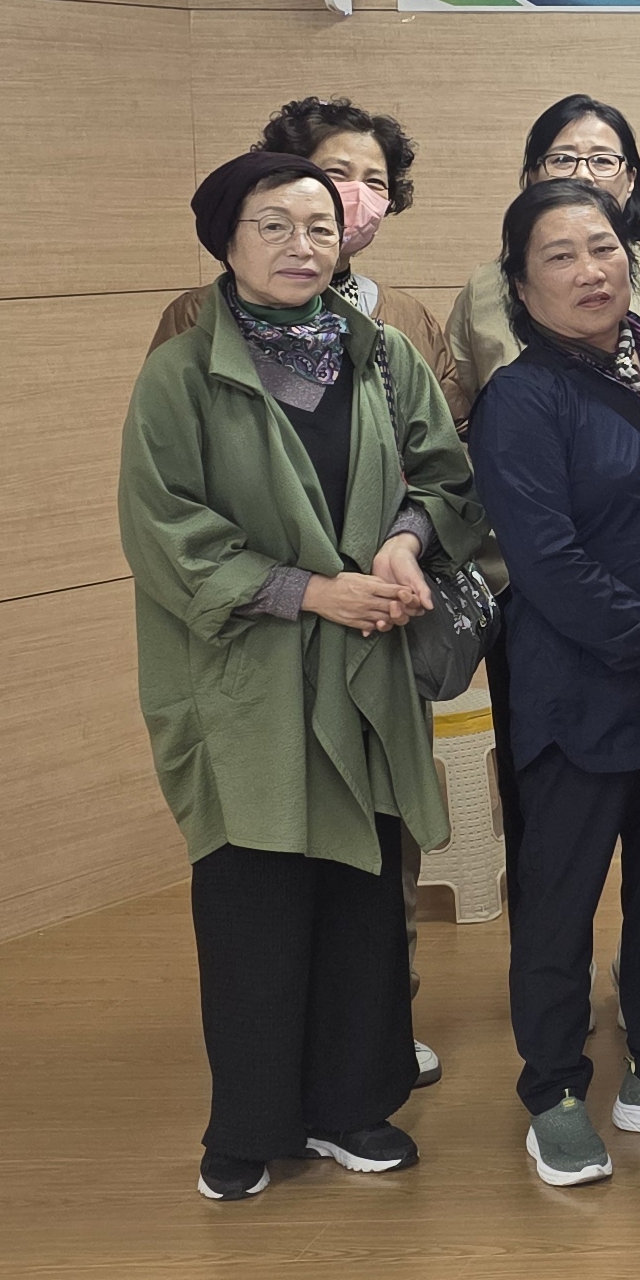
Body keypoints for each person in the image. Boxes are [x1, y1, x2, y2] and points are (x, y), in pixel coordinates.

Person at [120, 152, 483, 1202]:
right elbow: (166, 530)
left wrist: (406, 544)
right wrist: (312, 591)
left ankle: (353, 1106)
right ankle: (248, 1125)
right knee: (256, 899)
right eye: (272, 225)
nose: (301, 246)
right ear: (226, 242)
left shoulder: (381, 355)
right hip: (245, 677)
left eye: (319, 226)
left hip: (366, 666)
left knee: (364, 897)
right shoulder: (180, 373)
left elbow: (445, 478)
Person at [468, 181, 640, 1186]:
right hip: (582, 690)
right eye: (560, 255)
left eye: (602, 247)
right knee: (560, 901)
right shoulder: (519, 398)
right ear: (520, 284)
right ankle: (552, 1092)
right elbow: (546, 562)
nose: (591, 271)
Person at [152, 97, 454, 401]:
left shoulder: (410, 318)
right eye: (337, 173)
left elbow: (447, 421)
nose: (359, 193)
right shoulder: (199, 313)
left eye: (375, 181)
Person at [449, 95, 640, 424]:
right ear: (532, 176)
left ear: (631, 180)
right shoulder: (484, 288)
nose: (582, 175)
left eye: (603, 160)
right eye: (562, 159)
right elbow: (459, 411)